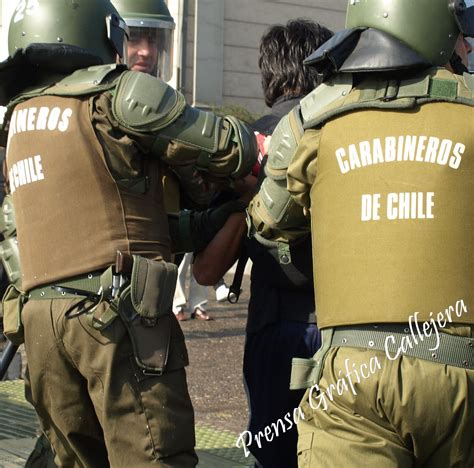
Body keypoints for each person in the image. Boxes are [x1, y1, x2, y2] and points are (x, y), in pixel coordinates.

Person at [0, 1, 256, 466]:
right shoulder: (116, 96)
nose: (142, 51)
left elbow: (85, 221)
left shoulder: (19, 120)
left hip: (39, 329)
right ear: (101, 33)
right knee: (155, 457)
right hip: (116, 317)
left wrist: (198, 228)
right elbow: (230, 147)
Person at [248, 0, 474, 466]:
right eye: (461, 33)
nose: (467, 45)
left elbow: (267, 224)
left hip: (350, 376)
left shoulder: (313, 120)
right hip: (461, 373)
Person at [195, 19, 333, 467]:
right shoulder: (344, 130)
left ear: (268, 76)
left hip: (272, 327)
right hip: (344, 330)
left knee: (274, 453)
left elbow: (206, 271)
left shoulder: (240, 145)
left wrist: (248, 193)